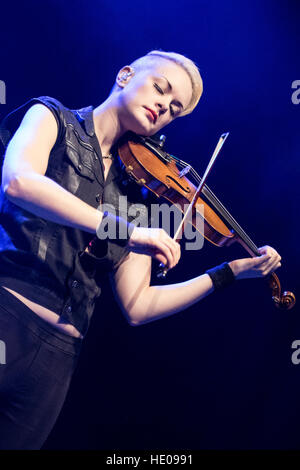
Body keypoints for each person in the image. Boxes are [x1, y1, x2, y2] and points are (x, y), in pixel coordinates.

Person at [0, 50, 281, 449]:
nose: (164, 107)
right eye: (160, 89)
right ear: (126, 75)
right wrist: (125, 231)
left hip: (58, 356)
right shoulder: (52, 117)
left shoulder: (140, 193)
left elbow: (139, 305)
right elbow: (19, 183)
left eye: (174, 109)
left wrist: (229, 272)